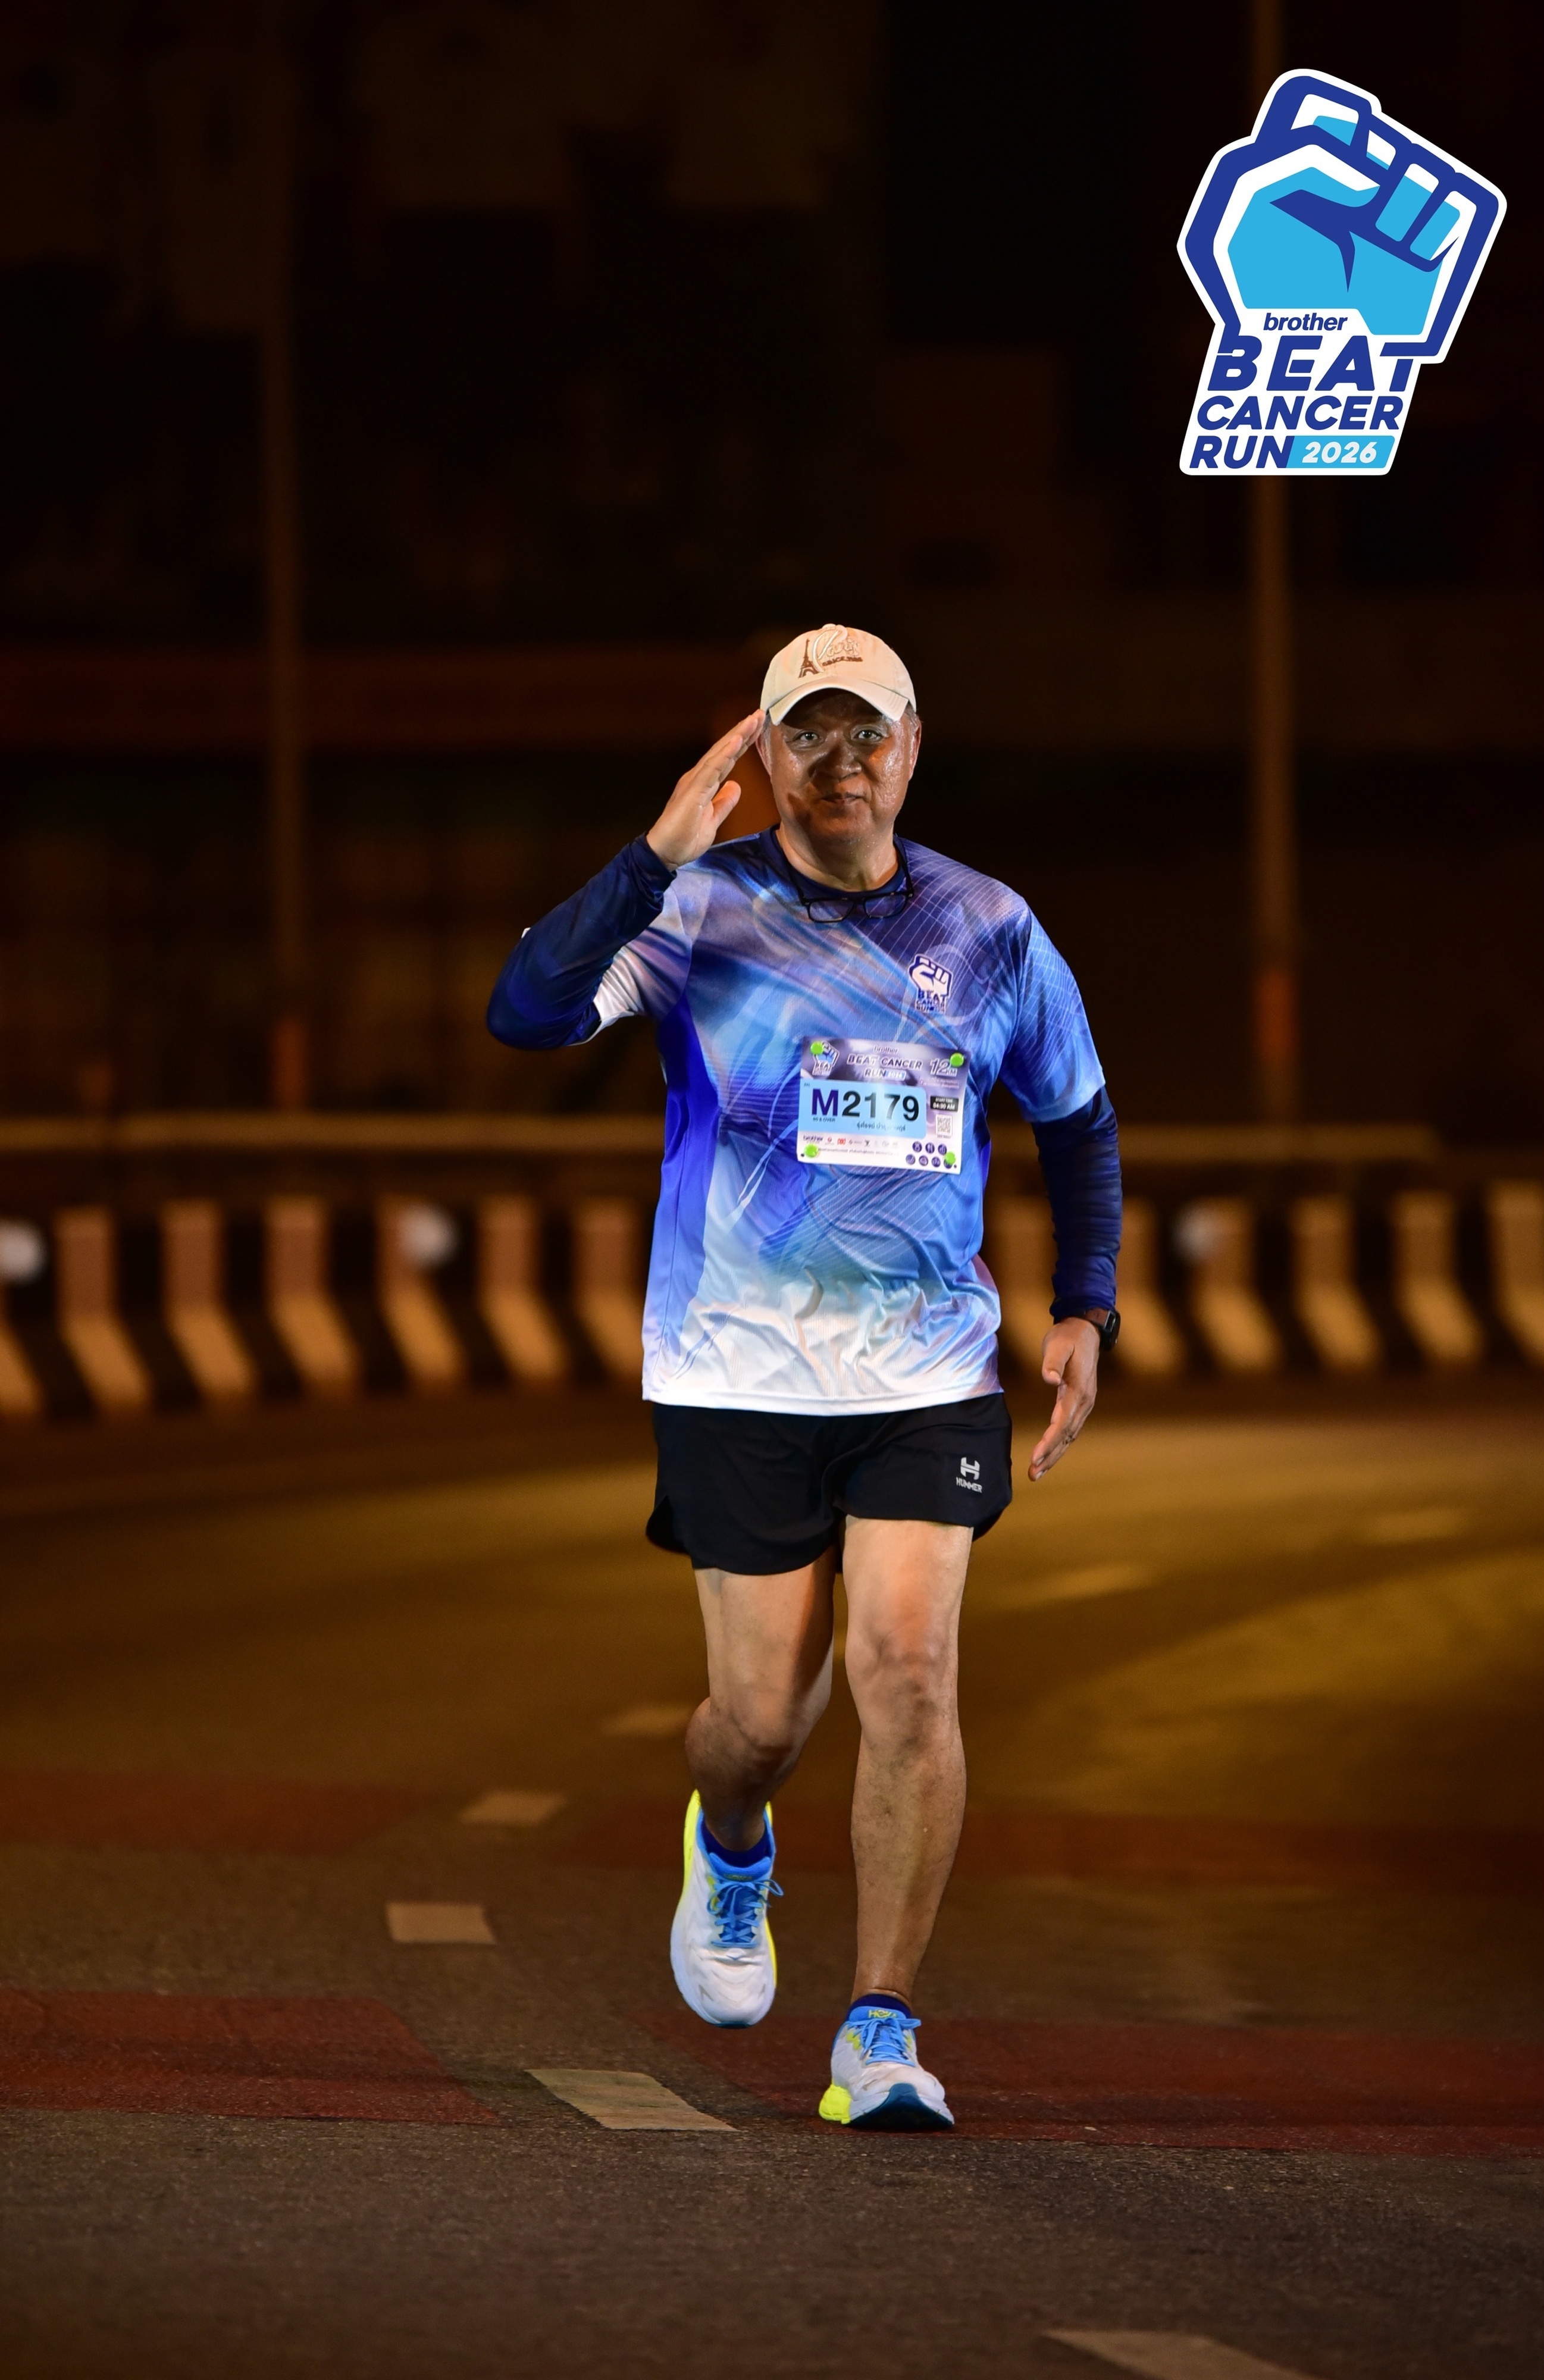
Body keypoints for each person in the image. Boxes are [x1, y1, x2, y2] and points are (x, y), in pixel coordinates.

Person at [488, 624, 1121, 2131]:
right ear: (763, 756)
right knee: (759, 1718)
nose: (841, 761)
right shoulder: (694, 907)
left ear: (913, 746)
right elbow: (526, 1011)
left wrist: (1084, 1302)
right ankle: (731, 1836)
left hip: (926, 1366)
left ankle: (880, 2028)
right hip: (735, 1367)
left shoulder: (989, 926)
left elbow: (1077, 1115)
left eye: (867, 731)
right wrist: (650, 855)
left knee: (907, 1670)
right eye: (808, 734)